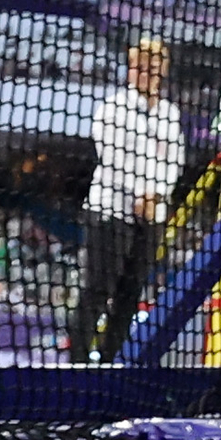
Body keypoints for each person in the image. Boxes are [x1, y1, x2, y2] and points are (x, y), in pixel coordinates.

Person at [69, 37, 184, 362]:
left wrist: (155, 194)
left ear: (162, 71)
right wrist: (140, 193)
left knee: (130, 295)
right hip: (111, 211)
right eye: (139, 67)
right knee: (97, 290)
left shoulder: (169, 115)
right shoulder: (113, 109)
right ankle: (77, 362)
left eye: (152, 67)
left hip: (152, 217)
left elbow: (174, 162)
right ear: (131, 70)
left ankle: (109, 362)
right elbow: (113, 158)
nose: (146, 73)